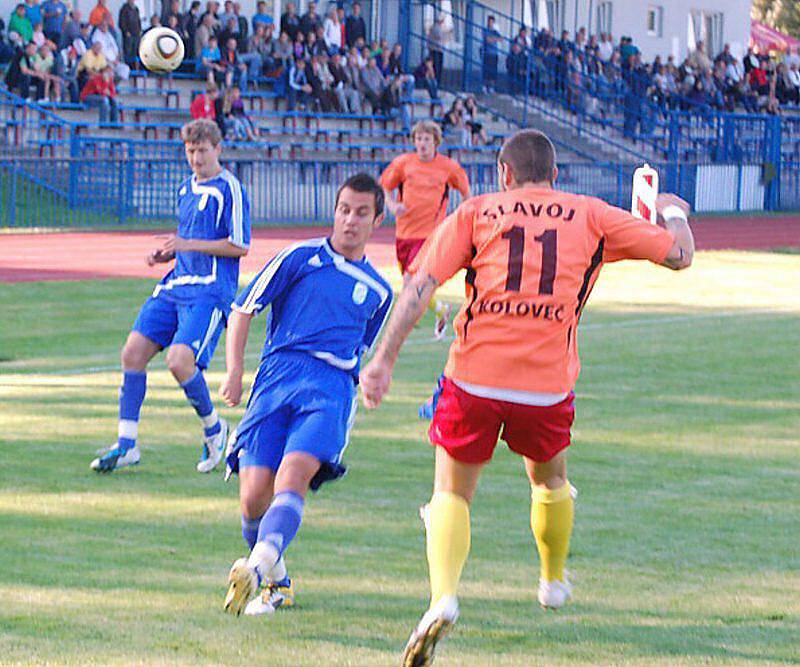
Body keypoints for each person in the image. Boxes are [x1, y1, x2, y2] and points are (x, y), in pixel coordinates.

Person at [360, 129, 694, 666]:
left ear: (504, 173)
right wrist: (673, 212)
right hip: (546, 385)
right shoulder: (590, 214)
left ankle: (443, 595)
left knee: (451, 493)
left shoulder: (477, 211)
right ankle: (552, 580)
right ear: (555, 176)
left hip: (474, 379)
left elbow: (419, 288)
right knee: (549, 481)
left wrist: (383, 360)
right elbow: (679, 256)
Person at [219, 173, 392, 617]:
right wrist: (235, 371)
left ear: (377, 220)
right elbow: (243, 310)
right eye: (344, 210)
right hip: (276, 379)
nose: (350, 220)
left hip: (330, 388)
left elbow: (361, 347)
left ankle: (254, 569)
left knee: (291, 477)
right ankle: (277, 584)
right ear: (334, 211)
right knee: (253, 497)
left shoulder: (379, 291)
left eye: (361, 213)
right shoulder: (298, 256)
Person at [90, 119, 251, 474]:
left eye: (202, 151)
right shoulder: (185, 189)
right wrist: (168, 253)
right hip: (175, 285)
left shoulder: (231, 189)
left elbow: (239, 245)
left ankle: (215, 429)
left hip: (209, 292)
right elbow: (188, 239)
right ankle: (127, 444)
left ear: (218, 149)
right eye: (190, 151)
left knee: (179, 361)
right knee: (132, 353)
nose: (196, 158)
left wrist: (186, 244)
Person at [380, 120, 470, 338]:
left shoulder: (448, 167)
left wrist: (461, 213)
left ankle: (401, 328)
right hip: (404, 234)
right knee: (410, 283)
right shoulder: (403, 164)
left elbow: (466, 192)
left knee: (413, 281)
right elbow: (384, 185)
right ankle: (441, 309)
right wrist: (392, 205)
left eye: (426, 139)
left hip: (430, 234)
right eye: (419, 139)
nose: (422, 143)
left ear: (435, 142)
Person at [118, 0, 141, 68]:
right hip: (128, 35)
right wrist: (126, 32)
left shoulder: (136, 9)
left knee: (135, 52)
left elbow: (138, 20)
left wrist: (139, 30)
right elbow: (121, 22)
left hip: (136, 34)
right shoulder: (124, 9)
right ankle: (128, 68)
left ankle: (135, 69)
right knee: (128, 52)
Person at [482, 15, 500, 92]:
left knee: (493, 71)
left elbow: (501, 39)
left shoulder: (495, 31)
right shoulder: (485, 30)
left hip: (494, 53)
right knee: (486, 70)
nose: (490, 23)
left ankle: (492, 87)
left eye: (492, 22)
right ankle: (485, 86)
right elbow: (487, 40)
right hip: (487, 53)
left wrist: (493, 39)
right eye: (489, 21)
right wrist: (494, 39)